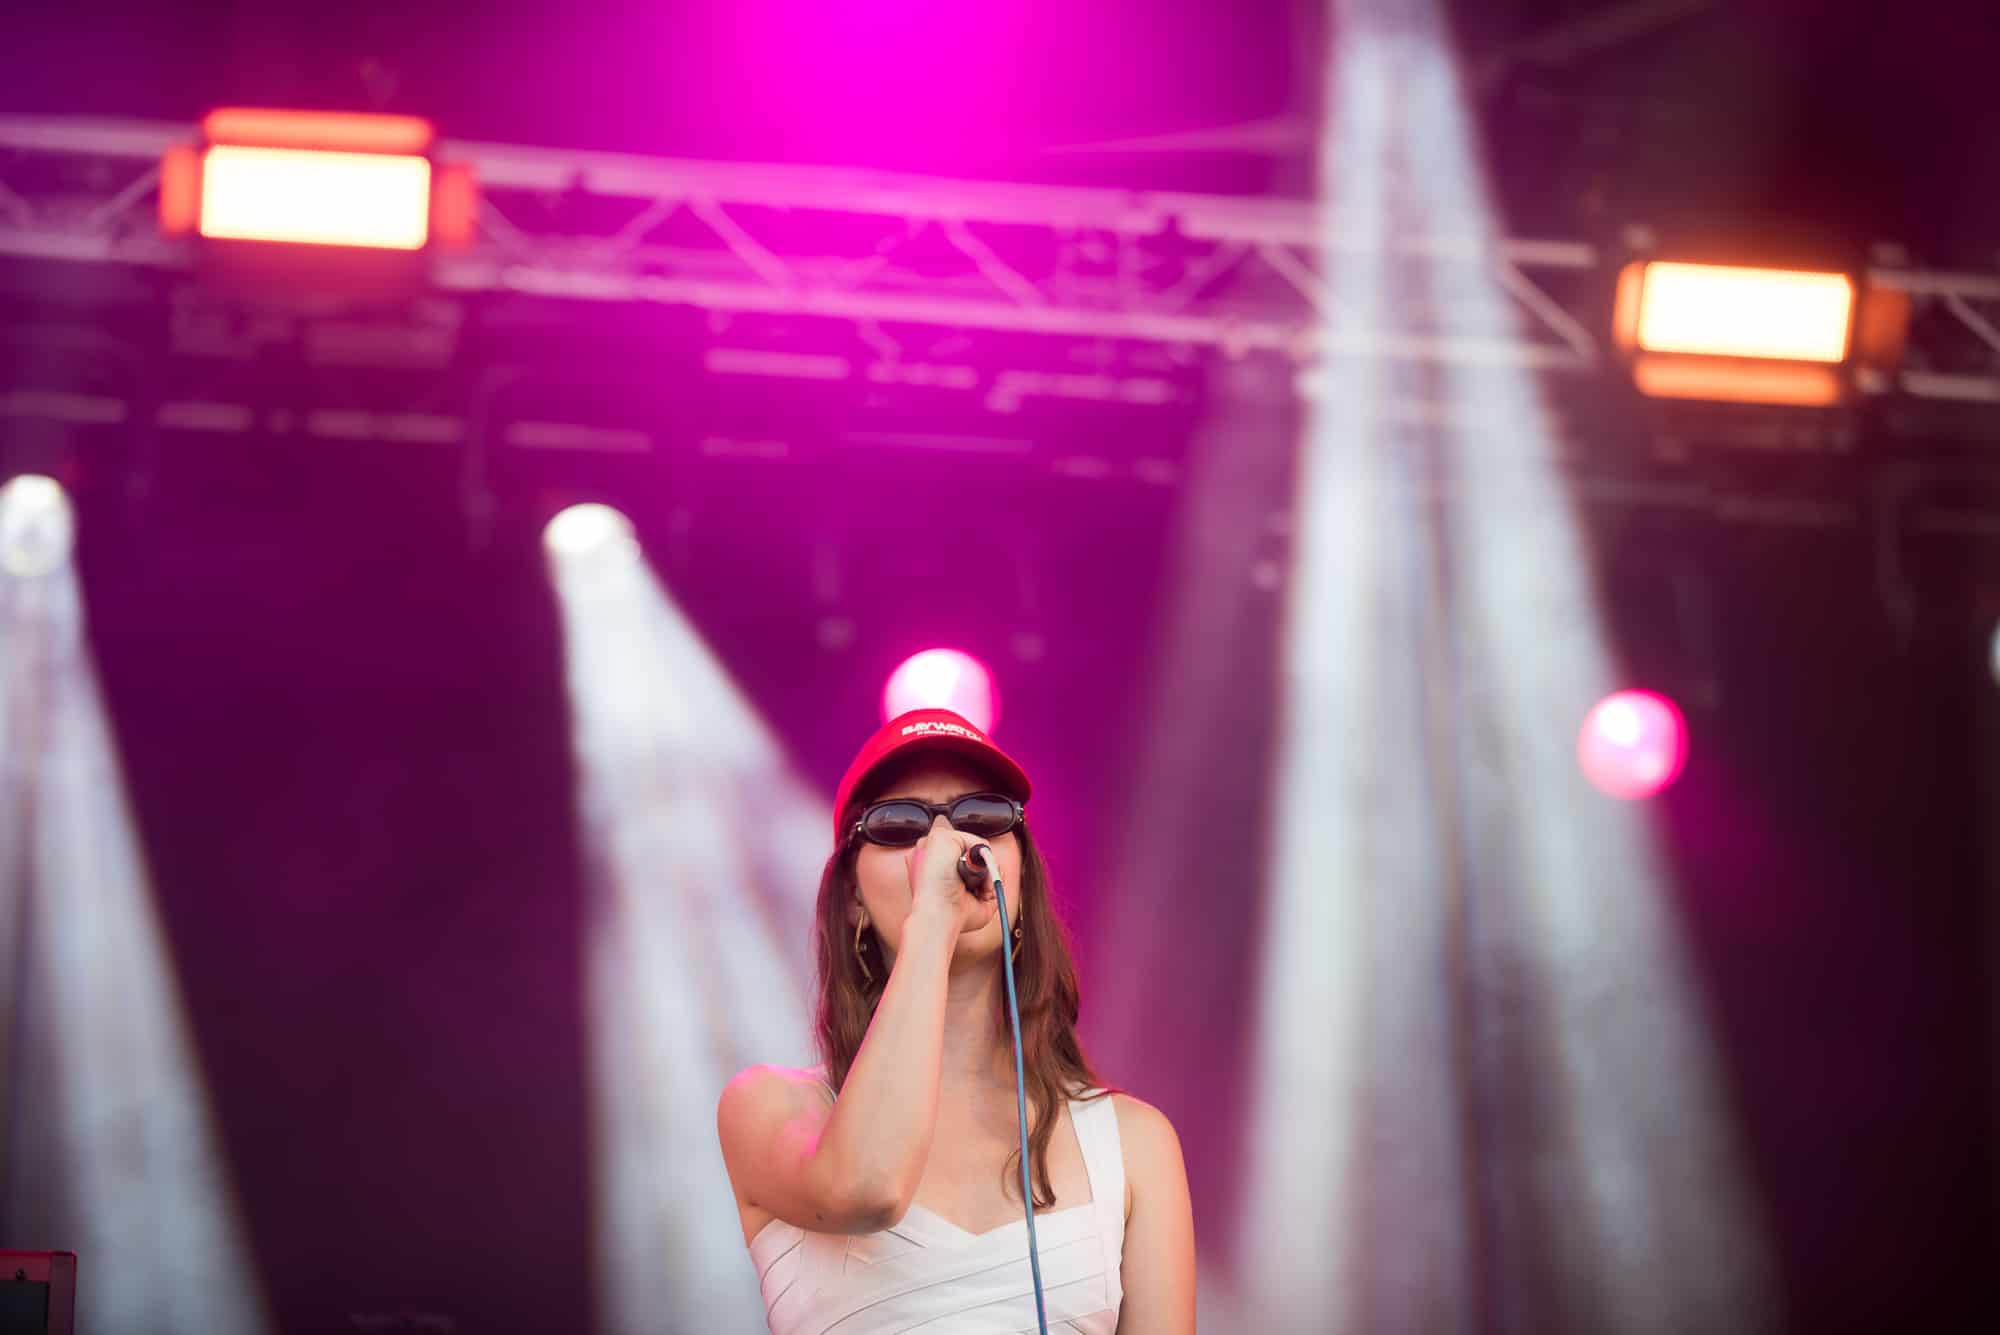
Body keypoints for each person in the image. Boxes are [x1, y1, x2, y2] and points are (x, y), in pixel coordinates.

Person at [717, 707, 1197, 1333]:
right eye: (899, 824)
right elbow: (866, 1187)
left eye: (983, 817)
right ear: (854, 896)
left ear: (1020, 878)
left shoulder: (1133, 1143)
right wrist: (931, 924)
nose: (946, 845)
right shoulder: (769, 1108)